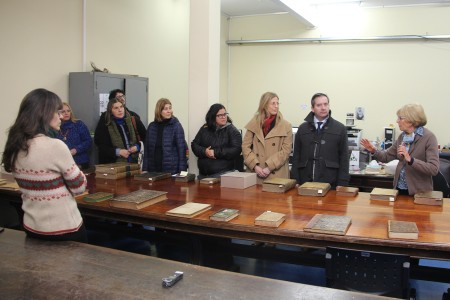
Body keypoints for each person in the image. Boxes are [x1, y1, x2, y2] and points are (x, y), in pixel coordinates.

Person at [1, 88, 87, 242]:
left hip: (33, 228)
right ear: (44, 114)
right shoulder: (55, 146)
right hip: (64, 229)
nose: (61, 116)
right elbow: (79, 187)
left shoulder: (15, 144)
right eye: (57, 112)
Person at [360, 103, 439, 195]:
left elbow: (433, 169)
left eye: (400, 118)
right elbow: (386, 156)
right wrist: (373, 150)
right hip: (399, 190)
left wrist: (411, 160)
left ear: (411, 120)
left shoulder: (429, 137)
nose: (397, 121)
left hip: (419, 193)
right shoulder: (402, 136)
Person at [291, 93, 349, 188]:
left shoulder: (340, 128)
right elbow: (296, 156)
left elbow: (344, 158)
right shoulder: (302, 128)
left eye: (326, 104)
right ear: (313, 108)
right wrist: (295, 179)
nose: (323, 108)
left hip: (330, 182)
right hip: (305, 181)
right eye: (319, 105)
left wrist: (342, 182)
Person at [242, 92, 292, 184]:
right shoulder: (253, 124)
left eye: (277, 103)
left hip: (276, 173)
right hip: (255, 173)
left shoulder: (286, 126)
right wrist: (254, 166)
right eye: (273, 103)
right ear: (264, 105)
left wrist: (269, 167)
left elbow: (286, 150)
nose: (276, 106)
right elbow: (245, 147)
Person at [191, 103, 242, 179]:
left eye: (225, 114)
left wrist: (215, 152)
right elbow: (194, 145)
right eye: (220, 115)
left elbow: (236, 150)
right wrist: (205, 151)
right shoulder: (205, 128)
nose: (223, 117)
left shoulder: (232, 130)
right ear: (213, 116)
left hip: (223, 175)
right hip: (203, 176)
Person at [143, 98, 187, 174]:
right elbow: (147, 150)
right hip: (153, 169)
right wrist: (145, 169)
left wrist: (182, 171)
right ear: (159, 111)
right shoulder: (151, 126)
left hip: (171, 170)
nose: (169, 111)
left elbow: (182, 150)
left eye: (170, 108)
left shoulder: (176, 126)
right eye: (165, 109)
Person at [94, 98, 145, 164]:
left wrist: (138, 146)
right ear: (110, 111)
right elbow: (101, 146)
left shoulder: (134, 120)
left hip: (136, 162)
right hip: (114, 165)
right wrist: (118, 152)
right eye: (116, 108)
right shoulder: (106, 125)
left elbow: (146, 138)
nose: (120, 110)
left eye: (121, 107)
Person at [57, 102, 92, 170]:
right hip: (62, 164)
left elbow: (88, 141)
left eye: (68, 111)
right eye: (63, 111)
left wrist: (76, 150)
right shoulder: (55, 127)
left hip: (80, 162)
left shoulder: (78, 124)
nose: (66, 113)